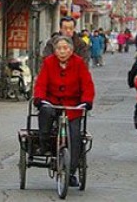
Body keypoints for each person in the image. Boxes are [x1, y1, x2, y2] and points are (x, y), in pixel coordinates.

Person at [33, 35, 95, 188]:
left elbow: (87, 84)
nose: (62, 51)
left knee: (75, 137)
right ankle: (45, 142)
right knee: (45, 112)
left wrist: (87, 101)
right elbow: (41, 83)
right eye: (59, 48)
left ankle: (71, 171)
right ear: (55, 50)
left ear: (71, 50)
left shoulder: (79, 63)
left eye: (65, 48)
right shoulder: (49, 63)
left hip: (72, 106)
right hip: (52, 102)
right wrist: (39, 98)